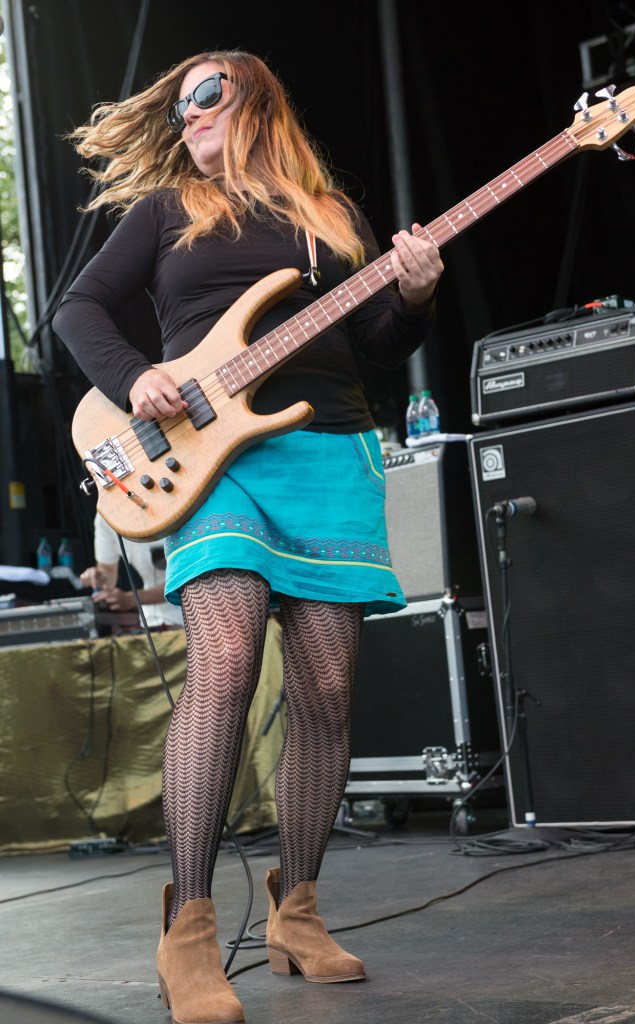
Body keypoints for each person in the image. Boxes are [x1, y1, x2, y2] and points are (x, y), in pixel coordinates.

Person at [53, 50, 443, 1024]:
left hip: (328, 448)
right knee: (223, 659)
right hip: (212, 459)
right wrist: (137, 374)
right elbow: (79, 309)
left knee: (325, 686)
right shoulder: (165, 211)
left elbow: (376, 348)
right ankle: (188, 924)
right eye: (178, 102)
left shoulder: (332, 219)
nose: (187, 114)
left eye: (204, 95)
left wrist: (417, 294)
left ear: (255, 98)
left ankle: (296, 906)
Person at [80, 515, 184, 631]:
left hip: (192, 610)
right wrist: (98, 577)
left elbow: (186, 578)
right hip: (151, 619)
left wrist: (132, 599)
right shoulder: (104, 516)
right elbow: (107, 571)